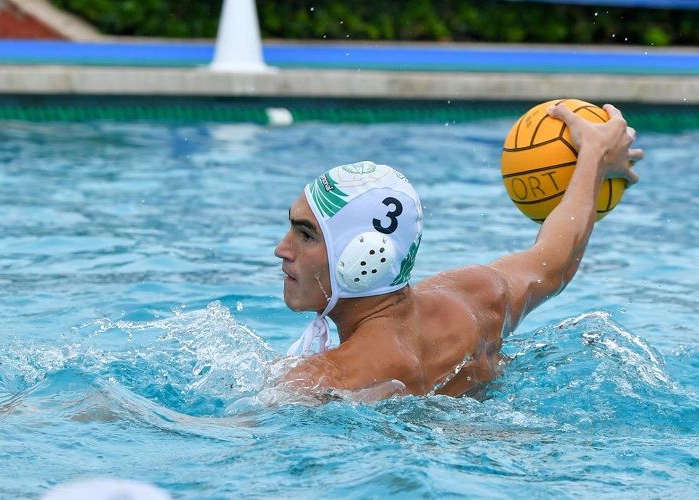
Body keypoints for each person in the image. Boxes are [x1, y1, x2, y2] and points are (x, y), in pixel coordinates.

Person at [272, 103, 643, 399]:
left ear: (366, 256)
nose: (281, 249)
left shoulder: (320, 378)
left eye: (306, 235)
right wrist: (593, 157)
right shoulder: (475, 300)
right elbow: (555, 261)